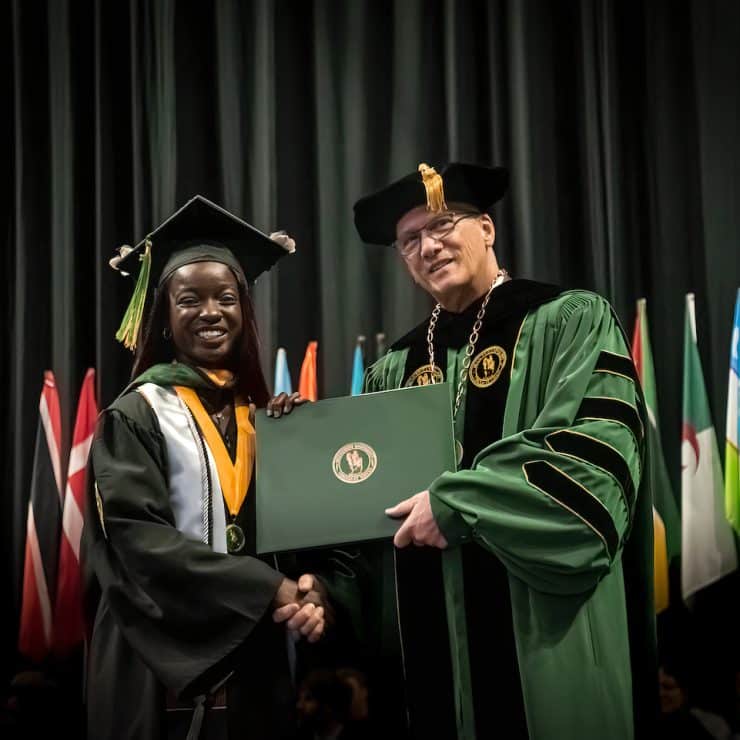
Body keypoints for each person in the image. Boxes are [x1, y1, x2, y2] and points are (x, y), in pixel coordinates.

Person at [351, 163, 657, 739]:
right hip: (432, 657)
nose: (428, 246)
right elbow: (365, 515)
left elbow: (593, 467)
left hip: (547, 644)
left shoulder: (570, 321)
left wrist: (457, 502)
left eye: (442, 224)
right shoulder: (392, 371)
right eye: (410, 240)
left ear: (487, 228)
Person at [82, 196, 342, 740]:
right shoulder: (135, 414)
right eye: (189, 300)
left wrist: (314, 593)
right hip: (156, 663)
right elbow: (136, 542)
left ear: (245, 313)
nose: (210, 312)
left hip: (257, 664)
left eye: (227, 298)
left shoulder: (267, 419)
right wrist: (272, 589)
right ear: (163, 319)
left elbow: (304, 539)